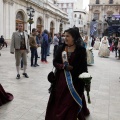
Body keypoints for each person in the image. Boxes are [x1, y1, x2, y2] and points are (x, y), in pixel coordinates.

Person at [45, 28, 90, 120]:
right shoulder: (61, 48)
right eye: (64, 36)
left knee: (70, 103)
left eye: (68, 36)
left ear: (74, 37)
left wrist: (86, 80)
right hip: (61, 81)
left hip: (75, 82)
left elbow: (84, 67)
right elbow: (55, 62)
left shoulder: (80, 50)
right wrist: (63, 66)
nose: (65, 38)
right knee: (60, 101)